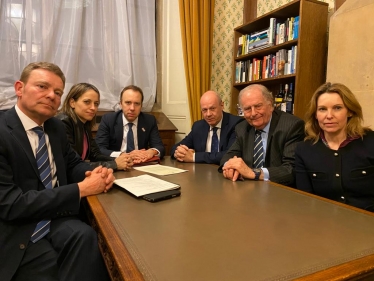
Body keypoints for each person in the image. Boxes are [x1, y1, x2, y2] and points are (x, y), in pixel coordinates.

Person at [0, 62, 114, 281]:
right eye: (42, 87)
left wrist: (96, 173)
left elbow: (73, 164)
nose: (51, 95)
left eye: (58, 92)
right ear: (19, 88)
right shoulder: (3, 132)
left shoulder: (55, 128)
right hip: (18, 226)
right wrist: (80, 190)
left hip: (57, 217)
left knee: (89, 239)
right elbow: (11, 204)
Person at [295, 82, 374, 211]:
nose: (329, 116)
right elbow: (306, 200)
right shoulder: (304, 150)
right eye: (322, 109)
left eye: (337, 108)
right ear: (315, 115)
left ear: (350, 112)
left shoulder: (371, 142)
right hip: (323, 224)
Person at [220, 84, 304, 186]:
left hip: (280, 191)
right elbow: (228, 156)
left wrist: (254, 173)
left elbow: (291, 170)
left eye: (258, 106)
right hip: (249, 189)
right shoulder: (242, 128)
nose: (253, 113)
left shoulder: (291, 126)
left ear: (270, 105)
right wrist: (230, 167)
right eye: (247, 109)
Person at [57, 82, 133, 170]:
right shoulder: (63, 123)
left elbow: (95, 155)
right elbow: (73, 164)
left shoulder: (84, 123)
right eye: (87, 102)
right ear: (72, 102)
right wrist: (114, 164)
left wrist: (121, 160)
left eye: (96, 104)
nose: (93, 108)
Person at [95, 85, 165, 163]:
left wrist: (151, 152)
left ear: (141, 106)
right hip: (117, 164)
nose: (132, 108)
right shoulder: (108, 120)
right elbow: (99, 149)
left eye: (137, 104)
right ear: (120, 104)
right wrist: (123, 155)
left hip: (141, 164)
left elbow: (159, 147)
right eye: (128, 103)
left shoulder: (149, 120)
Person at [170, 90, 243, 164]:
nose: (208, 114)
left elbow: (230, 155)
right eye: (204, 110)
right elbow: (175, 147)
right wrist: (178, 152)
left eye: (212, 108)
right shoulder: (198, 126)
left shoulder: (236, 124)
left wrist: (194, 157)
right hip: (201, 172)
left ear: (222, 105)